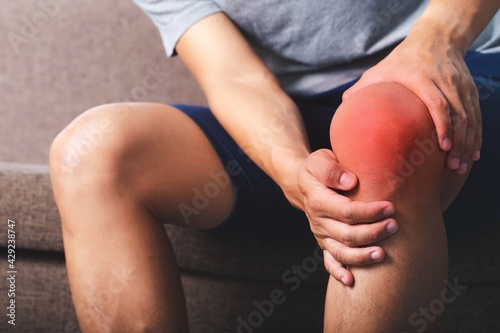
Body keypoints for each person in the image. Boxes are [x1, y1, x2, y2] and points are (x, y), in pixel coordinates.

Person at [48, 0, 500, 332]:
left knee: (375, 123)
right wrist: (294, 172)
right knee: (92, 154)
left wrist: (435, 41)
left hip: (456, 66)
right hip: (294, 116)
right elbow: (234, 74)